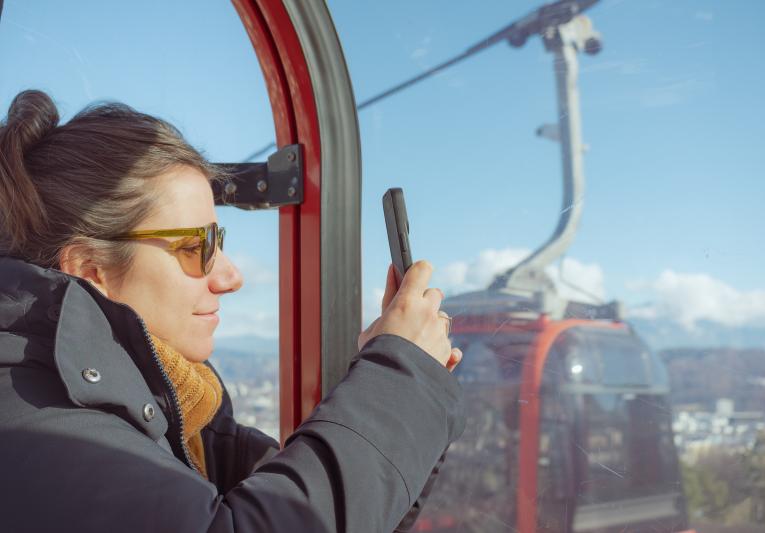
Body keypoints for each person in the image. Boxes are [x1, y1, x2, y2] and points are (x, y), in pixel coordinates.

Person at [0, 90, 465, 533]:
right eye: (195, 246)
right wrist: (399, 378)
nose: (231, 276)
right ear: (90, 269)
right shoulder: (33, 420)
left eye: (217, 241)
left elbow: (316, 510)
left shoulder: (184, 415)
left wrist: (412, 391)